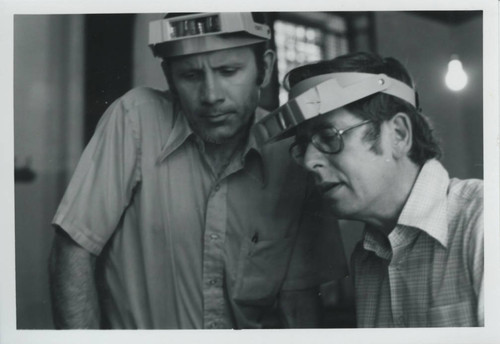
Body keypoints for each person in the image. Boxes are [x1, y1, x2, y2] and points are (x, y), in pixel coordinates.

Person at [49, 12, 347, 330]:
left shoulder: (290, 155)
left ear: (266, 67)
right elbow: (74, 252)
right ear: (169, 76)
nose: (210, 96)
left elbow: (298, 303)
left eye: (228, 71)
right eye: (190, 75)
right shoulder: (135, 119)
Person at [256, 52, 483, 327]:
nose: (308, 161)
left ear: (399, 135)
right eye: (302, 146)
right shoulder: (366, 261)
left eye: (329, 137)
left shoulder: (483, 224)